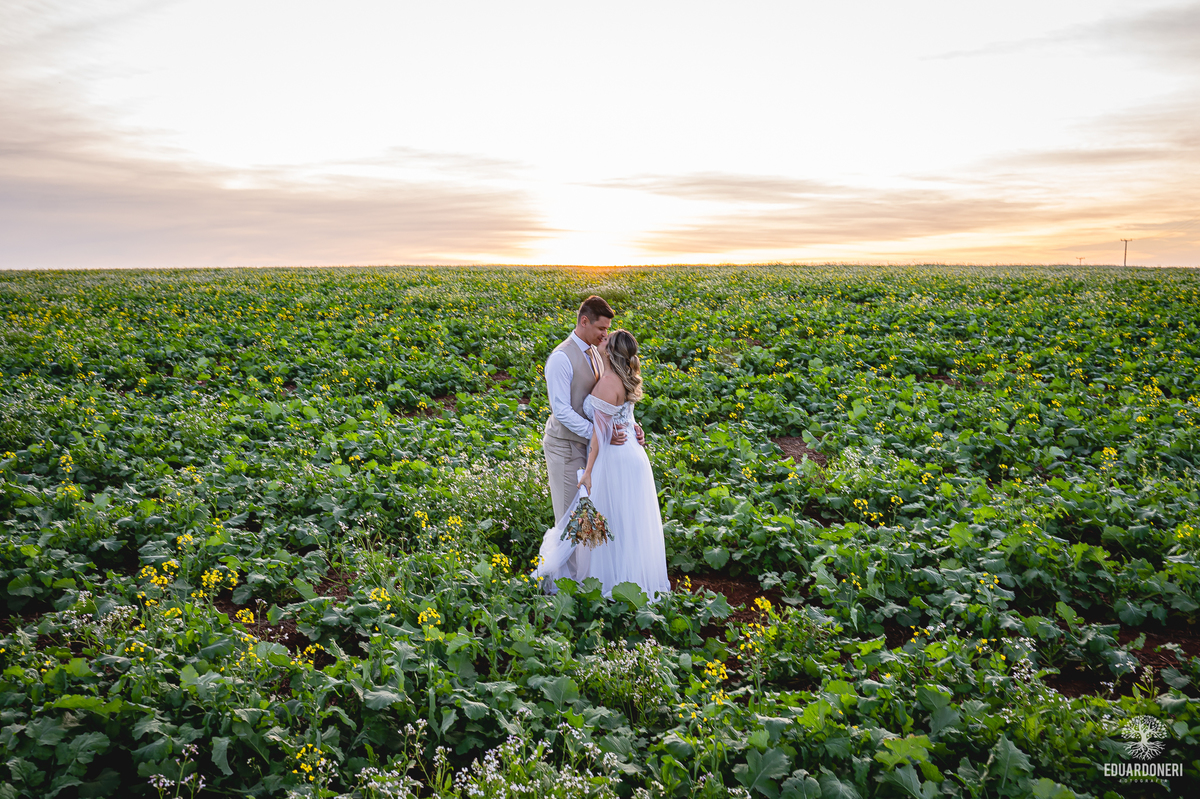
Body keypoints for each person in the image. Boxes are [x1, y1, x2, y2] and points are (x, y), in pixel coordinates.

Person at [536, 329, 670, 600]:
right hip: (630, 454)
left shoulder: (608, 382)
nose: (603, 337)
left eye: (607, 338)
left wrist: (588, 472)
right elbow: (623, 414)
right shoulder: (620, 376)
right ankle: (625, 579)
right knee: (622, 520)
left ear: (609, 351)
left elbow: (599, 435)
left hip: (615, 458)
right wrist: (633, 427)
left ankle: (608, 582)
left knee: (608, 519)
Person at [542, 296, 642, 579]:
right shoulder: (561, 358)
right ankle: (565, 584)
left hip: (593, 448)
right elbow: (561, 410)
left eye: (607, 329)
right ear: (584, 321)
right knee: (570, 517)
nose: (605, 334)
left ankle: (585, 579)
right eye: (601, 328)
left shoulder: (599, 352)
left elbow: (609, 402)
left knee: (590, 516)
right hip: (565, 446)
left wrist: (630, 425)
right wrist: (601, 433)